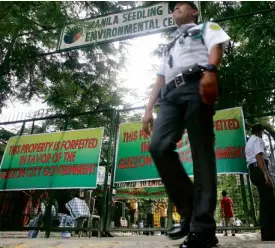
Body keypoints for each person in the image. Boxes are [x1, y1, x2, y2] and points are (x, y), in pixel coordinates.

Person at [142, 1, 230, 247]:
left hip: (196, 84)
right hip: (169, 96)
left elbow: (216, 45)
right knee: (158, 147)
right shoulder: (169, 45)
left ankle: (202, 229)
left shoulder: (205, 27)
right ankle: (189, 209)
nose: (175, 9)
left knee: (201, 152)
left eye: (181, 6)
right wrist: (148, 109)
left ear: (194, 11)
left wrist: (211, 71)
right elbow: (160, 78)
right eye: (173, 8)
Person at [245, 124, 275, 241]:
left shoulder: (249, 142)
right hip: (259, 169)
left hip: (254, 171)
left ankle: (267, 231)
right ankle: (269, 232)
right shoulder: (257, 139)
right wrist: (266, 174)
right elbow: (259, 156)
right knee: (269, 201)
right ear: (260, 131)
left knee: (265, 201)